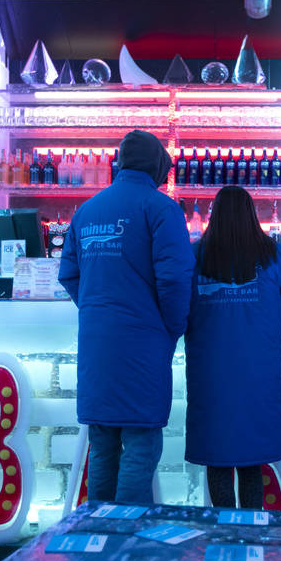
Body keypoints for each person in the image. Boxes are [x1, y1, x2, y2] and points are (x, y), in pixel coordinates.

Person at [58, 130, 194, 506]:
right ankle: (127, 539)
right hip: (143, 346)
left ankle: (99, 535)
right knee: (140, 443)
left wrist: (96, 308)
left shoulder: (87, 210)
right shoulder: (161, 209)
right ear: (157, 165)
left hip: (97, 345)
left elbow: (68, 274)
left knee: (101, 445)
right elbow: (175, 278)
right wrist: (171, 326)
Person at [184, 186, 281, 508]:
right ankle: (252, 533)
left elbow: (176, 306)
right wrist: (267, 310)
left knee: (218, 456)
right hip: (259, 369)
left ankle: (225, 533)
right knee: (253, 458)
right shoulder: (274, 254)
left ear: (214, 215)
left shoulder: (194, 255)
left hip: (210, 371)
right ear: (252, 214)